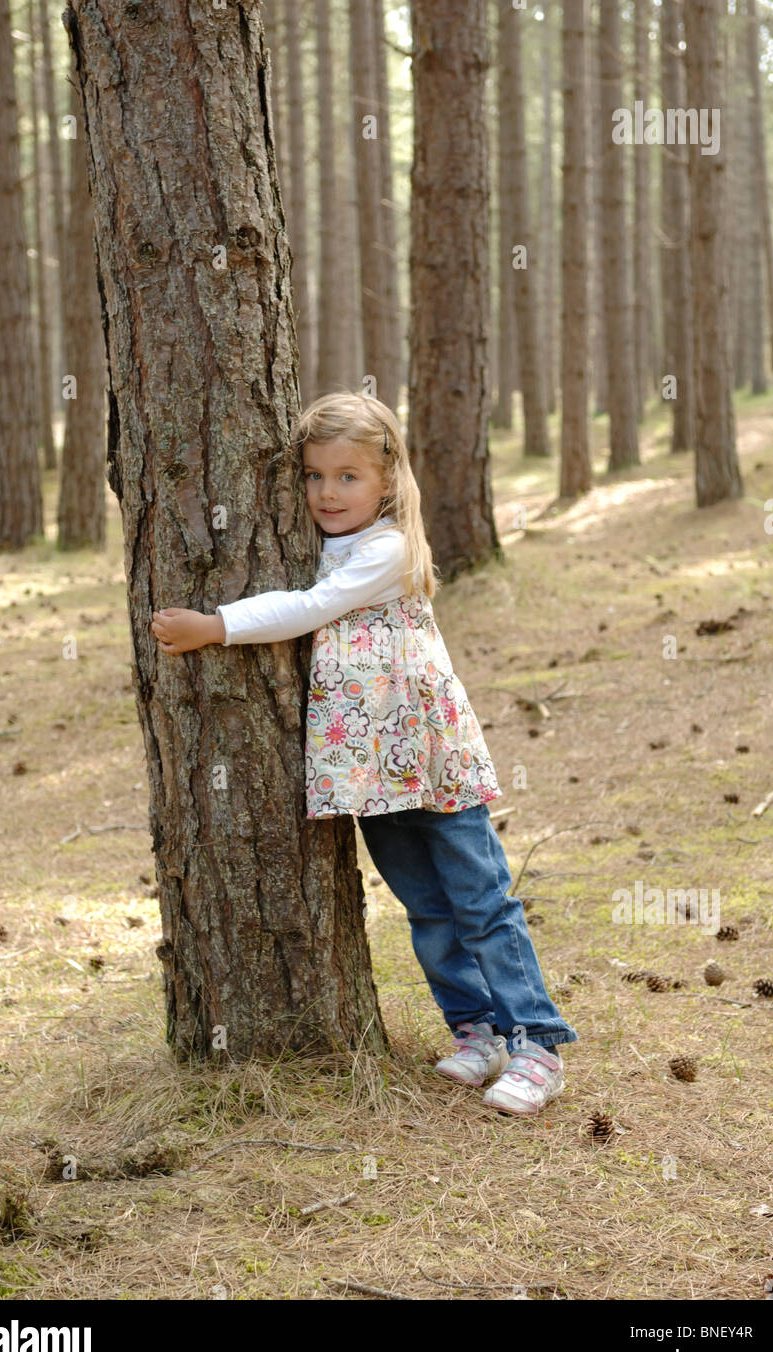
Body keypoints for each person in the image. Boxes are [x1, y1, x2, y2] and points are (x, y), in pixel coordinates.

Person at [151, 392, 577, 1115]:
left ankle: (535, 1042)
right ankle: (475, 1031)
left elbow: (307, 608)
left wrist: (215, 625)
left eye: (347, 476)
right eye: (314, 476)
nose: (326, 493)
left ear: (386, 479)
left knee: (479, 902)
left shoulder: (386, 548)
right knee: (425, 907)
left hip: (426, 752)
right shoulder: (316, 543)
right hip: (368, 768)